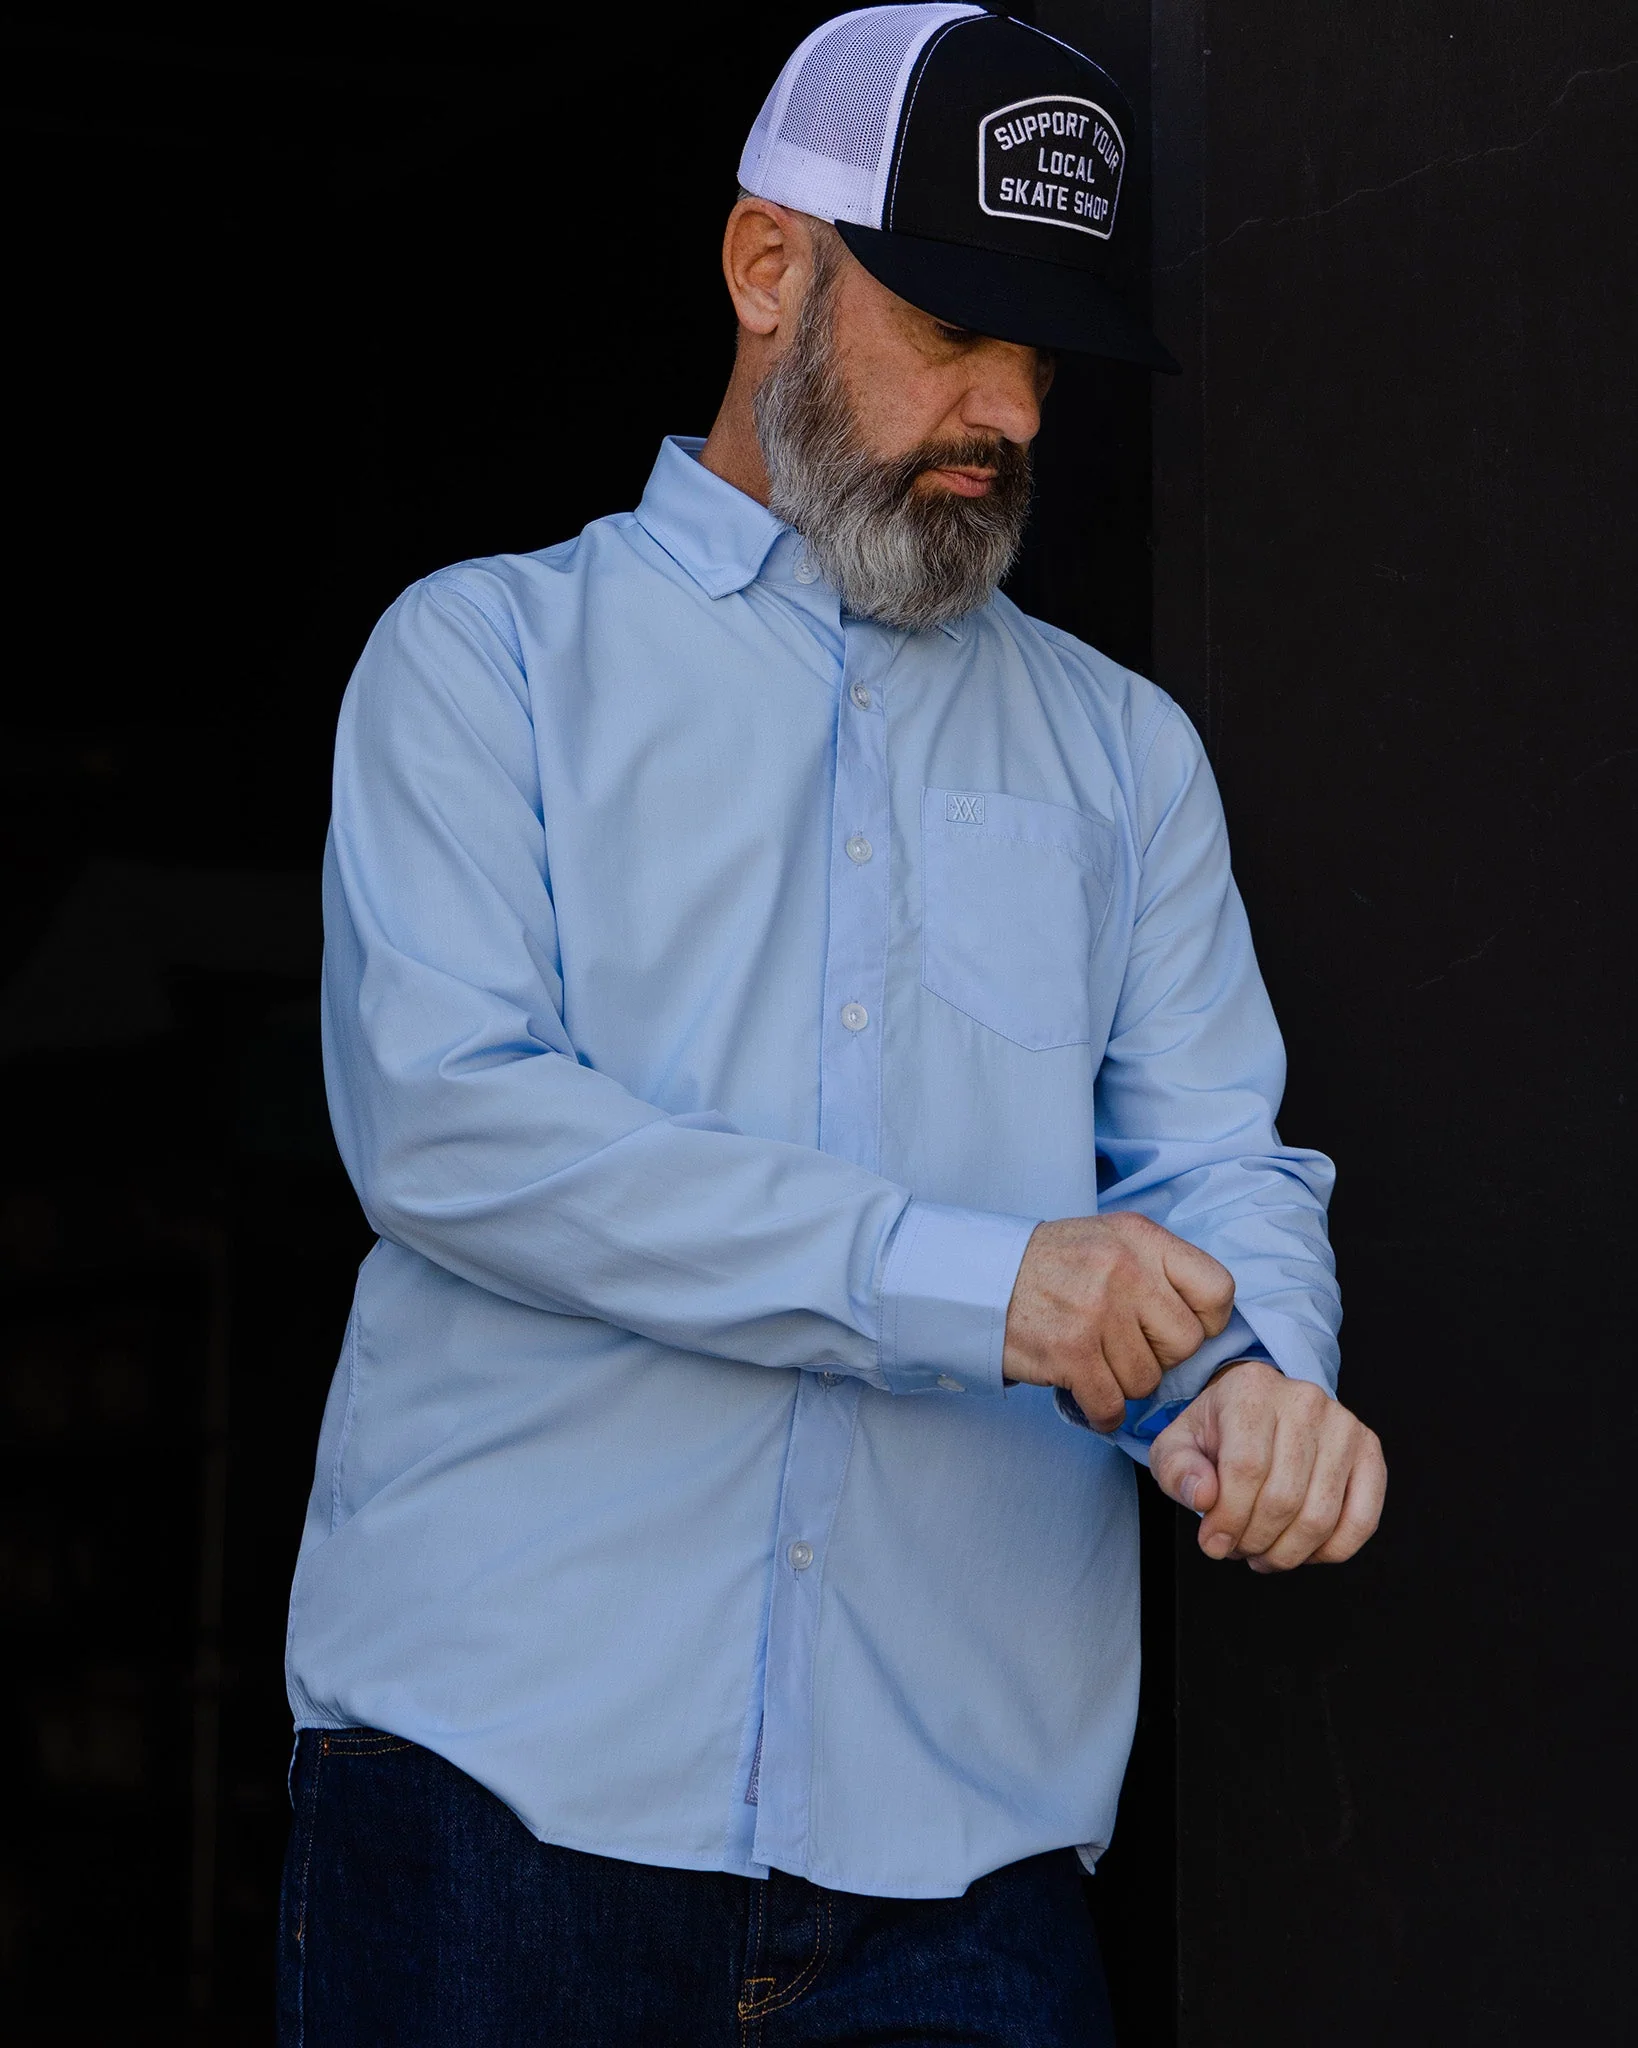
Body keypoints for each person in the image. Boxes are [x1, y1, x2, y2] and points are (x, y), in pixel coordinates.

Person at [278, 7, 1386, 2043]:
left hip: (961, 1858)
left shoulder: (1126, 753)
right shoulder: (482, 661)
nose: (1009, 411)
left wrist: (1259, 1382)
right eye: (953, 329)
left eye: (1042, 355)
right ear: (765, 267)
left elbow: (1217, 1161)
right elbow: (451, 1125)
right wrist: (982, 1285)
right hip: (500, 1795)